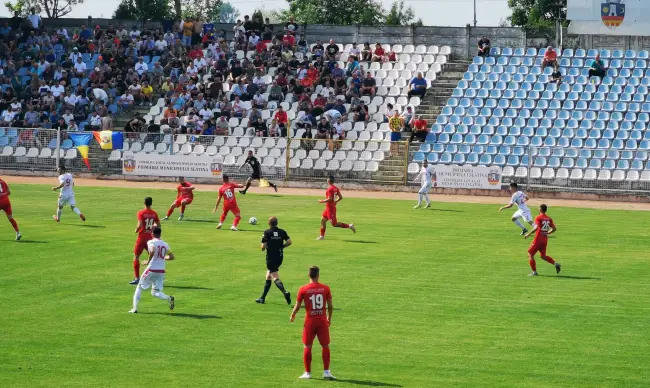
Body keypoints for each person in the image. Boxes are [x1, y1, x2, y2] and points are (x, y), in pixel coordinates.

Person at [290, 266, 336, 380]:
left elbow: (297, 306)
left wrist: (293, 315)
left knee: (307, 346)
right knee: (325, 346)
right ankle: (326, 372)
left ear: (308, 275)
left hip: (309, 322)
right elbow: (330, 306)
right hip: (322, 321)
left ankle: (307, 373)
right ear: (318, 275)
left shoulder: (303, 289)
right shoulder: (325, 288)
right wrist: (329, 318)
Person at [128, 227, 175, 313]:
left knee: (139, 287)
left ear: (152, 233)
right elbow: (172, 257)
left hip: (152, 269)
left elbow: (152, 251)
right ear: (160, 234)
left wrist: (148, 261)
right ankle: (169, 298)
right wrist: (162, 258)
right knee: (155, 292)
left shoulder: (151, 242)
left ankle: (134, 308)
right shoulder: (165, 244)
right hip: (161, 271)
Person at [256, 216, 292, 305]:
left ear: (269, 223)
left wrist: (263, 246)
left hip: (271, 258)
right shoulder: (282, 232)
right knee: (268, 276)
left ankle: (285, 292)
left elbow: (263, 247)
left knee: (275, 277)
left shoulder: (267, 232)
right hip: (279, 257)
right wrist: (282, 246)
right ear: (277, 223)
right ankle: (262, 298)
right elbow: (289, 242)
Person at [130, 197, 161, 285]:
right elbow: (158, 225)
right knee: (152, 258)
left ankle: (137, 278)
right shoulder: (154, 213)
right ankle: (154, 278)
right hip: (150, 238)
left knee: (136, 257)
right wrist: (152, 227)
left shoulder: (141, 213)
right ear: (151, 203)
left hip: (141, 237)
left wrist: (136, 229)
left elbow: (139, 225)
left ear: (144, 203)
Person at [524, 204, 562, 276]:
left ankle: (534, 272)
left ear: (540, 209)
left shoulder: (538, 217)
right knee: (543, 256)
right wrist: (547, 233)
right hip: (544, 240)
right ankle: (556, 264)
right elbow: (554, 229)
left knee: (530, 254)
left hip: (538, 239)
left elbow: (536, 228)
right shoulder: (549, 218)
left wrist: (528, 234)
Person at [317, 176, 355, 240]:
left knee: (334, 224)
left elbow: (330, 199)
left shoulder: (330, 189)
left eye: (327, 179)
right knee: (323, 220)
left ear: (328, 181)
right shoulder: (335, 188)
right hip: (328, 208)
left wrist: (322, 201)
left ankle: (349, 226)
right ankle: (321, 236)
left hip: (330, 209)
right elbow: (340, 197)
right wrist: (335, 201)